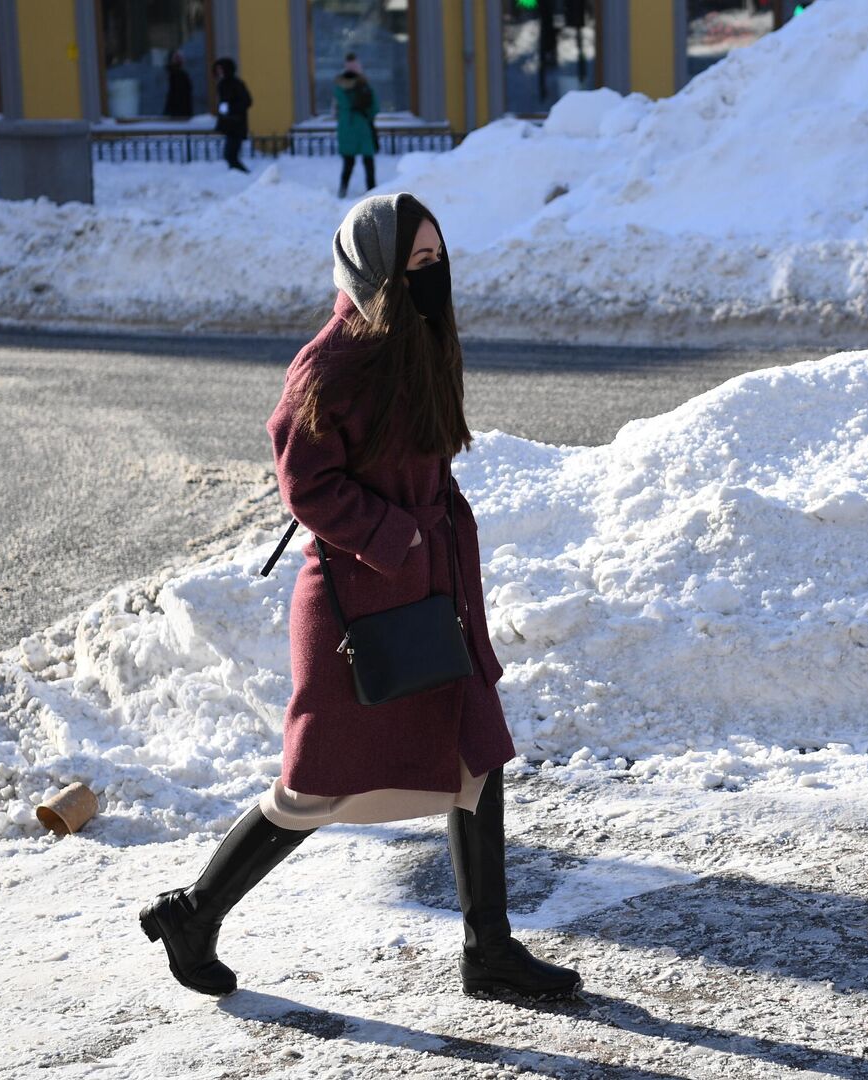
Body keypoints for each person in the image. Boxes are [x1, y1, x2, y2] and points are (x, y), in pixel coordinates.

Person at [138, 192, 583, 1003]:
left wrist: (430, 546)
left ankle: (490, 950)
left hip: (430, 589)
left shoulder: (415, 341)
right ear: (375, 268)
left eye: (439, 261)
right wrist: (398, 540)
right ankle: (194, 914)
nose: (434, 275)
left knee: (476, 754)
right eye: (417, 264)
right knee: (313, 790)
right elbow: (303, 481)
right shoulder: (332, 361)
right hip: (359, 603)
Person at [334, 54, 379, 197]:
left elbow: (335, 109)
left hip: (346, 125)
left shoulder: (339, 87)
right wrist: (368, 117)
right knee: (368, 161)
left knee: (348, 162)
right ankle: (373, 191)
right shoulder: (364, 85)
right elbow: (375, 107)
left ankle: (343, 189)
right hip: (363, 126)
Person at [213, 56, 252, 172]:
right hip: (229, 124)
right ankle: (237, 175)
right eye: (217, 69)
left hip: (236, 123)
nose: (219, 72)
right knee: (230, 155)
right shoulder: (222, 84)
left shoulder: (236, 84)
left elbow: (247, 101)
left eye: (221, 69)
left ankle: (243, 175)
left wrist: (230, 108)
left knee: (230, 155)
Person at [163, 50, 194, 120]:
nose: (180, 60)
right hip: (177, 115)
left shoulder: (180, 75)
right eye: (176, 58)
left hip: (180, 115)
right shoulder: (173, 75)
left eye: (179, 58)